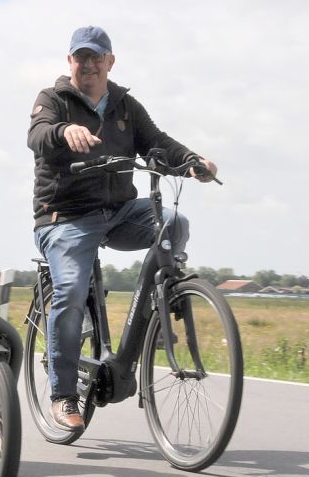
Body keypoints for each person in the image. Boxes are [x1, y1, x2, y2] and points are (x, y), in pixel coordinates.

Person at [28, 26, 219, 431]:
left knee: (174, 222)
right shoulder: (53, 99)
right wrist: (65, 130)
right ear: (70, 62)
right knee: (71, 291)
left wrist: (192, 160)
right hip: (65, 218)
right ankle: (63, 395)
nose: (89, 64)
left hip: (118, 212)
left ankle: (157, 317)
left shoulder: (125, 105)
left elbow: (157, 141)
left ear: (110, 62)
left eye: (97, 57)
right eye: (81, 57)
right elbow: (38, 135)